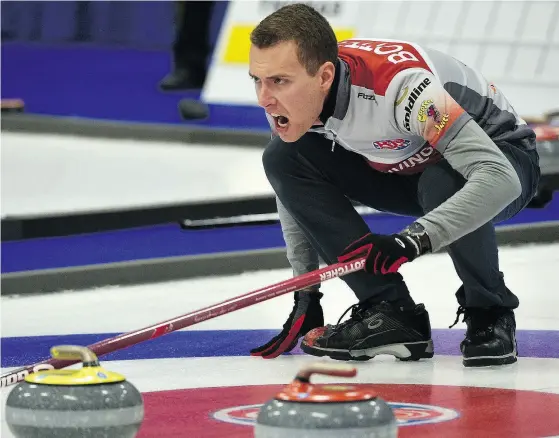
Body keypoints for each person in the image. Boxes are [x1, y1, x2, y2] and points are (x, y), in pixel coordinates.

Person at [247, 4, 541, 367]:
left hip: (501, 162)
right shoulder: (300, 98)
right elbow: (290, 182)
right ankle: (389, 310)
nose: (263, 97)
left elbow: (500, 178)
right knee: (283, 156)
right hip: (407, 165)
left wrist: (413, 239)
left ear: (324, 76)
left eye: (278, 81)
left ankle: (490, 310)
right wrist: (306, 290)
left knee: (446, 178)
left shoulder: (404, 89)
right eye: (257, 80)